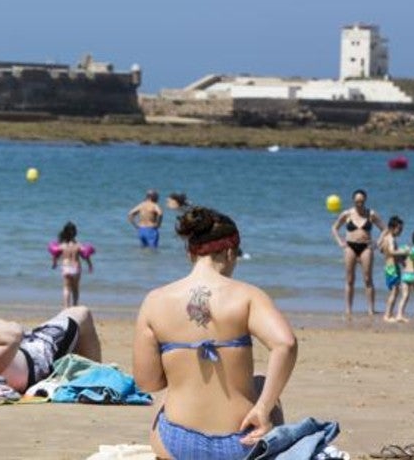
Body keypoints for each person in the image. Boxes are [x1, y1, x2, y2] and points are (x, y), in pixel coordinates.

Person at [133, 206, 297, 459]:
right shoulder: (247, 295)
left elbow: (147, 382)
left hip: (177, 443)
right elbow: (285, 344)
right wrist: (263, 408)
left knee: (169, 398)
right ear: (231, 252)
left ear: (190, 253)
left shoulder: (155, 301)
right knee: (263, 384)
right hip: (242, 443)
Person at [330, 189, 385, 316]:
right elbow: (334, 227)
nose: (359, 203)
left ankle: (371, 309)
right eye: (357, 201)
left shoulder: (371, 214)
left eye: (361, 201)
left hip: (366, 247)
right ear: (353, 200)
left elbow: (384, 229)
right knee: (350, 279)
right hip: (350, 247)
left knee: (367, 279)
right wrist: (340, 242)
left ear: (365, 200)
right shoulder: (347, 214)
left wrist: (377, 243)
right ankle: (348, 310)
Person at [51, 222, 94, 308]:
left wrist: (54, 264)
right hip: (75, 268)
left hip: (66, 267)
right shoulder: (78, 245)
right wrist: (90, 266)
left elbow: (55, 255)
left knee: (66, 288)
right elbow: (86, 256)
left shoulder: (62, 245)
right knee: (75, 289)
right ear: (75, 233)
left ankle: (66, 307)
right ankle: (74, 305)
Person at [379, 216, 406, 322]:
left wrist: (402, 262)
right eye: (399, 229)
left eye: (401, 229)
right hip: (392, 268)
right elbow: (391, 251)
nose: (401, 232)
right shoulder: (390, 239)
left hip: (389, 267)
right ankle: (387, 315)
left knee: (394, 292)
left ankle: (389, 314)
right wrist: (404, 251)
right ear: (391, 228)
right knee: (394, 292)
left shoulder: (386, 238)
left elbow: (383, 251)